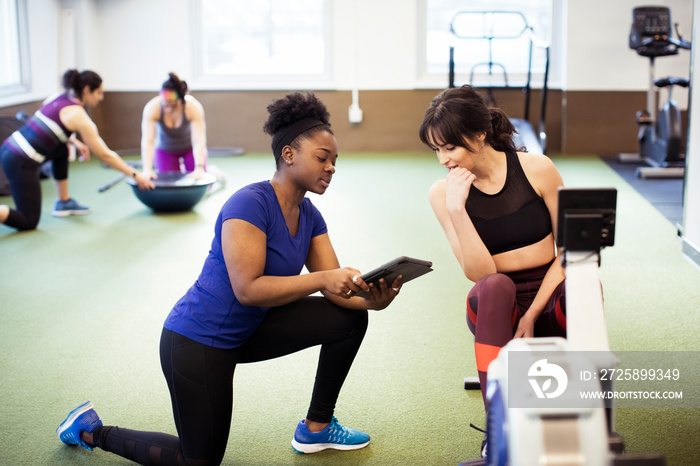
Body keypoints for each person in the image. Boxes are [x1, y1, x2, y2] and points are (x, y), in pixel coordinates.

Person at [56, 92, 403, 465]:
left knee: (350, 319)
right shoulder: (249, 203)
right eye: (322, 157)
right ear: (288, 154)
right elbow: (249, 289)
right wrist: (322, 279)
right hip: (196, 341)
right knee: (199, 461)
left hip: (248, 331)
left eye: (335, 161)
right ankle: (92, 430)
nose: (331, 167)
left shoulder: (310, 215)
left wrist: (371, 299)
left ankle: (316, 428)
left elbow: (337, 292)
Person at [419, 85, 567, 456]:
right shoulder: (443, 193)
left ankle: (572, 418)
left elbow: (569, 254)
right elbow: (480, 273)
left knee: (585, 285)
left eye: (449, 147)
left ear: (479, 135)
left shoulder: (538, 169)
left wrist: (533, 313)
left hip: (548, 293)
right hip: (493, 302)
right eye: (436, 149)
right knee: (497, 285)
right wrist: (457, 210)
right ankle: (497, 426)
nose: (442, 160)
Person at [0, 69, 154, 231]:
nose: (101, 98)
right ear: (87, 90)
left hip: (8, 147)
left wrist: (72, 141)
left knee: (61, 147)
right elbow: (105, 155)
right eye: (99, 93)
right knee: (28, 221)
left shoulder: (57, 96)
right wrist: (136, 176)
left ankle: (63, 202)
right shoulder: (79, 116)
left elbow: (46, 124)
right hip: (20, 161)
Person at [140, 73, 209, 181]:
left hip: (189, 149)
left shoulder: (192, 107)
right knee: (168, 183)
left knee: (200, 181)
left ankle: (214, 172)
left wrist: (199, 167)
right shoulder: (152, 108)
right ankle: (180, 170)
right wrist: (147, 169)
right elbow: (148, 141)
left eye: (172, 105)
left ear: (181, 100)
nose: (168, 108)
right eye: (165, 104)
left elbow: (198, 140)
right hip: (165, 150)